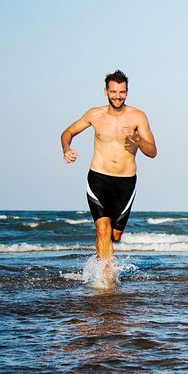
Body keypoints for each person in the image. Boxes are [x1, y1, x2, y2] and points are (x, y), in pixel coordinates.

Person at [61, 70, 158, 263]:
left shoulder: (138, 116)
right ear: (106, 91)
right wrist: (66, 148)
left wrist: (137, 138)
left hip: (126, 182)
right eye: (113, 92)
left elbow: (152, 151)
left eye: (122, 92)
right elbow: (68, 132)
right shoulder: (95, 114)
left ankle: (100, 260)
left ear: (127, 92)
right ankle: (106, 278)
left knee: (114, 235)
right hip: (99, 177)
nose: (117, 96)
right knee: (102, 227)